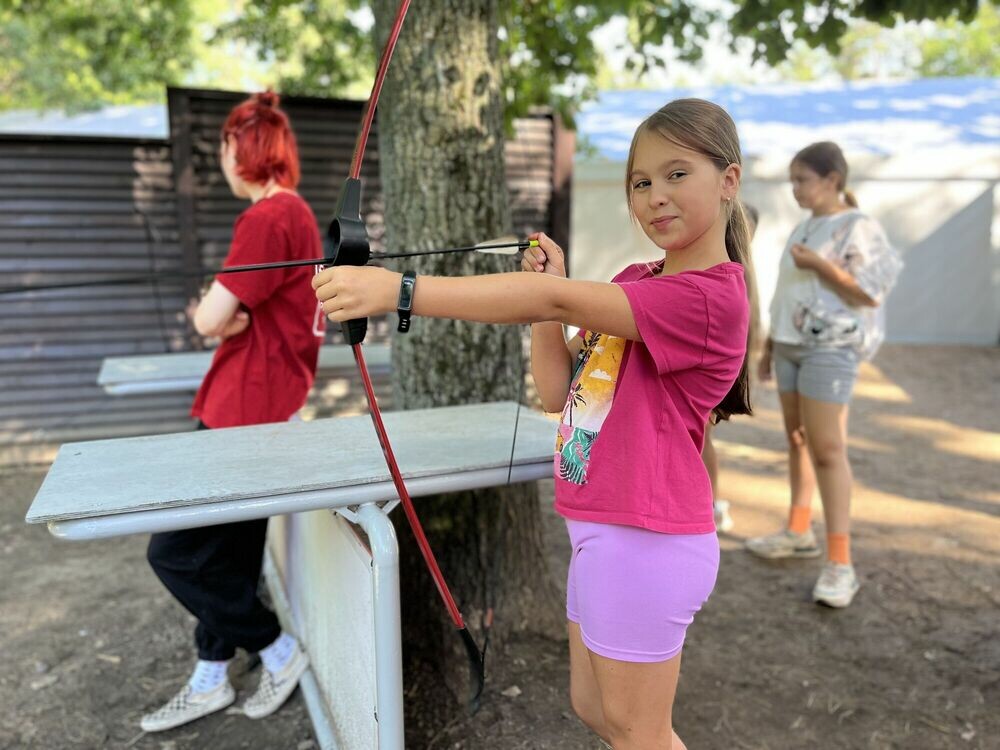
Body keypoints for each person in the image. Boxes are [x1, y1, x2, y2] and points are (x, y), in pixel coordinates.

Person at [313, 98, 753, 750]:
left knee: (639, 732)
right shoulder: (638, 281)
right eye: (640, 182)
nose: (655, 195)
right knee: (595, 708)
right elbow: (559, 390)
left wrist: (399, 290)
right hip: (602, 529)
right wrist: (554, 298)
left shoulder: (711, 297)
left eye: (676, 174)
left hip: (647, 539)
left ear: (728, 181)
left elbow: (551, 297)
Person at [141, 92, 321, 732]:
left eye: (223, 147)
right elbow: (235, 311)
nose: (221, 160)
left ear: (240, 150)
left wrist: (215, 315)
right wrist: (227, 315)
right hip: (264, 405)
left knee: (174, 552)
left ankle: (276, 648)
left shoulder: (268, 218)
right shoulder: (295, 214)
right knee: (232, 554)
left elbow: (208, 317)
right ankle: (211, 673)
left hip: (243, 409)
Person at [746, 141, 902, 608]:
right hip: (790, 347)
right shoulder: (805, 225)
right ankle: (798, 531)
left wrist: (820, 265)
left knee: (828, 449)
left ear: (832, 180)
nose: (795, 189)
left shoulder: (859, 226)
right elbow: (789, 292)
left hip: (830, 349)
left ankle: (840, 563)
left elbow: (870, 293)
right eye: (792, 180)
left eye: (802, 179)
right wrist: (771, 346)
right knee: (797, 440)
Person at [704, 203, 758, 532]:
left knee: (702, 436)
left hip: (714, 372)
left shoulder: (733, 276)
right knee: (702, 437)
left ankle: (712, 503)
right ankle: (711, 502)